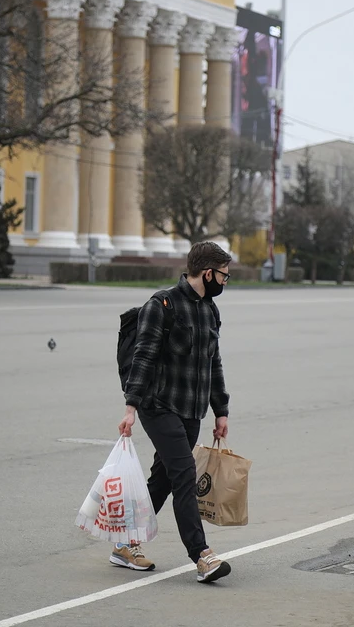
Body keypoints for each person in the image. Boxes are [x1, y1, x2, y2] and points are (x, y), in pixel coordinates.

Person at [113, 241, 233, 584]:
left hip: (190, 410)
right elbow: (143, 357)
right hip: (158, 405)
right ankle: (202, 556)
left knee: (163, 480)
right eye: (224, 276)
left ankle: (125, 543)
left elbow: (214, 363)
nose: (225, 283)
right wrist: (131, 407)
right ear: (207, 273)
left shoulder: (210, 310)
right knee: (183, 476)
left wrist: (220, 410)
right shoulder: (162, 304)